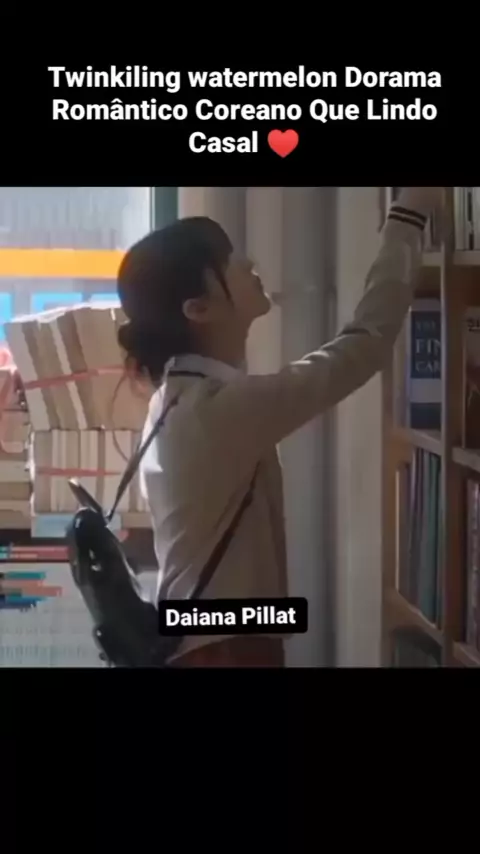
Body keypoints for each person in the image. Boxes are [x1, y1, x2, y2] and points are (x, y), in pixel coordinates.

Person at [116, 186, 442, 668]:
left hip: (204, 639)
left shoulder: (178, 397)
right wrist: (407, 219)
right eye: (227, 260)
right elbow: (363, 348)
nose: (248, 262)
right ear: (198, 309)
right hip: (226, 652)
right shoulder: (217, 409)